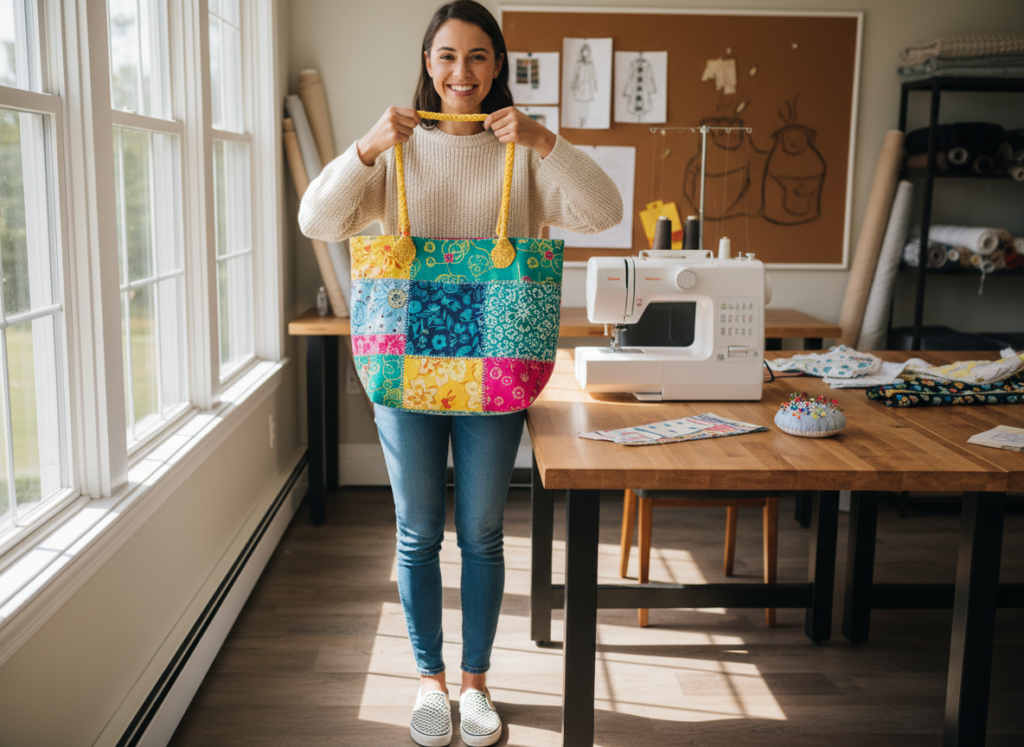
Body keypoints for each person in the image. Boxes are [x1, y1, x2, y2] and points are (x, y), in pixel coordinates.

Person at [299, 2, 622, 745]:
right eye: (446, 56)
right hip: (404, 371)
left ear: (498, 66)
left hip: (496, 369)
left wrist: (546, 139)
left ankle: (476, 684)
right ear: (427, 63)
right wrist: (367, 150)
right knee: (416, 533)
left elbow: (602, 210)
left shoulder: (524, 152)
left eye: (478, 57)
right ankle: (429, 680)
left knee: (480, 533)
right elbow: (318, 219)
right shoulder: (400, 152)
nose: (461, 73)